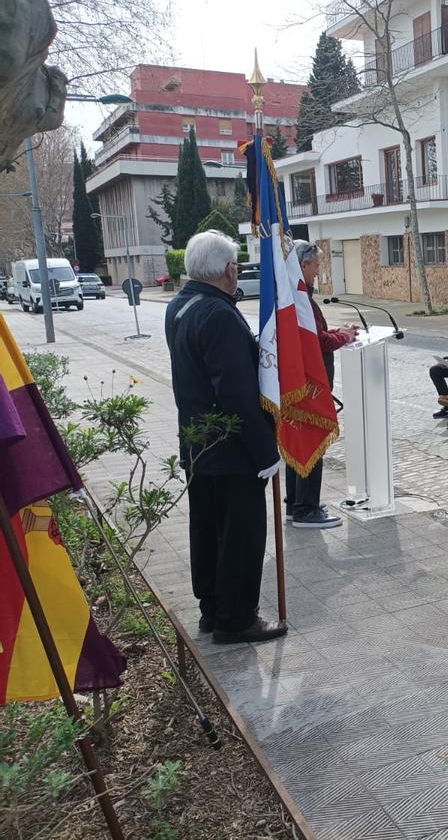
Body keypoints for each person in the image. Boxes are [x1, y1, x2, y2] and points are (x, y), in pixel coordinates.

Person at [164, 231, 286, 644]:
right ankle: (235, 620)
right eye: (237, 265)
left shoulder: (181, 304)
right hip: (232, 450)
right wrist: (265, 452)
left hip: (199, 445)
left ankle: (213, 610)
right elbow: (235, 393)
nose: (238, 271)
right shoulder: (218, 314)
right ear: (228, 270)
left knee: (208, 530)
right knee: (240, 535)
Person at [284, 242, 358, 529]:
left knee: (298, 444)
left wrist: (338, 332)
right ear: (302, 265)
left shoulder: (295, 295)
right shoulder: (299, 298)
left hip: (300, 385)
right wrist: (344, 337)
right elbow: (317, 342)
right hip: (308, 388)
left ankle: (295, 503)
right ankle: (306, 509)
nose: (318, 270)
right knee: (309, 443)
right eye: (315, 265)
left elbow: (315, 334)